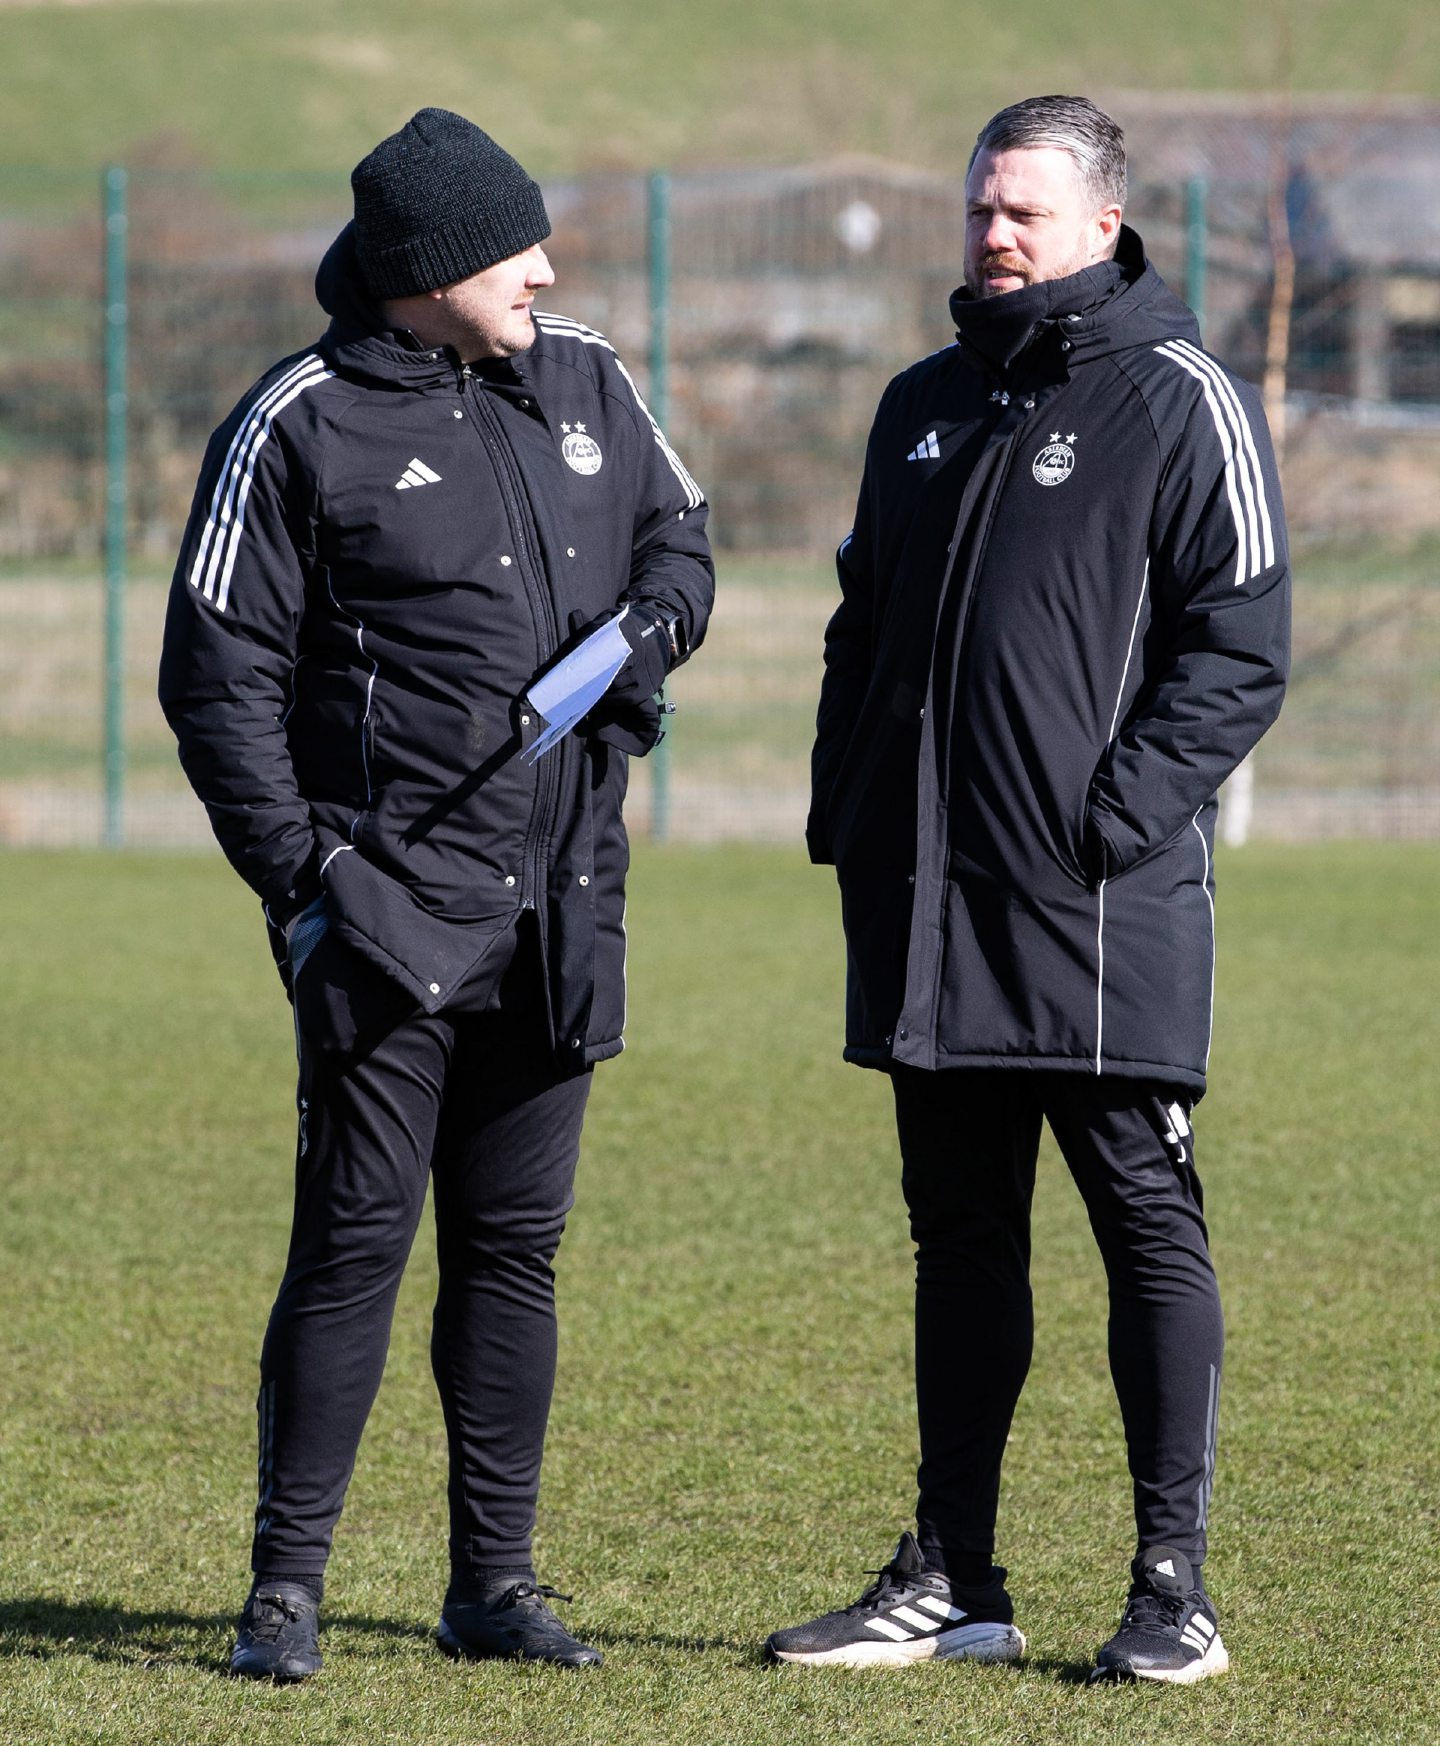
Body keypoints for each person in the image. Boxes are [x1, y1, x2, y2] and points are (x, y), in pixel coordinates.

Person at [159, 107, 713, 1681]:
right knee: (352, 1247)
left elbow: (684, 539)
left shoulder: (590, 376)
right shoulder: (299, 420)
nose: (544, 266)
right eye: (507, 247)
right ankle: (284, 1589)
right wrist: (311, 880)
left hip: (563, 909)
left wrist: (651, 628)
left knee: (515, 1251)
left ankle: (496, 1582)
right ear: (423, 271)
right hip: (385, 922)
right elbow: (216, 684)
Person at [765, 95, 1288, 1684]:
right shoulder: (924, 402)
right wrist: (846, 801)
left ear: (1104, 224)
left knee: (1145, 1224)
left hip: (1100, 906)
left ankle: (1171, 1588)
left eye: (1024, 212)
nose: (993, 234)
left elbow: (1242, 646)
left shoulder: (1180, 397)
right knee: (962, 1234)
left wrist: (1107, 817)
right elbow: (863, 624)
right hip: (927, 903)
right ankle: (957, 1576)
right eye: (981, 206)